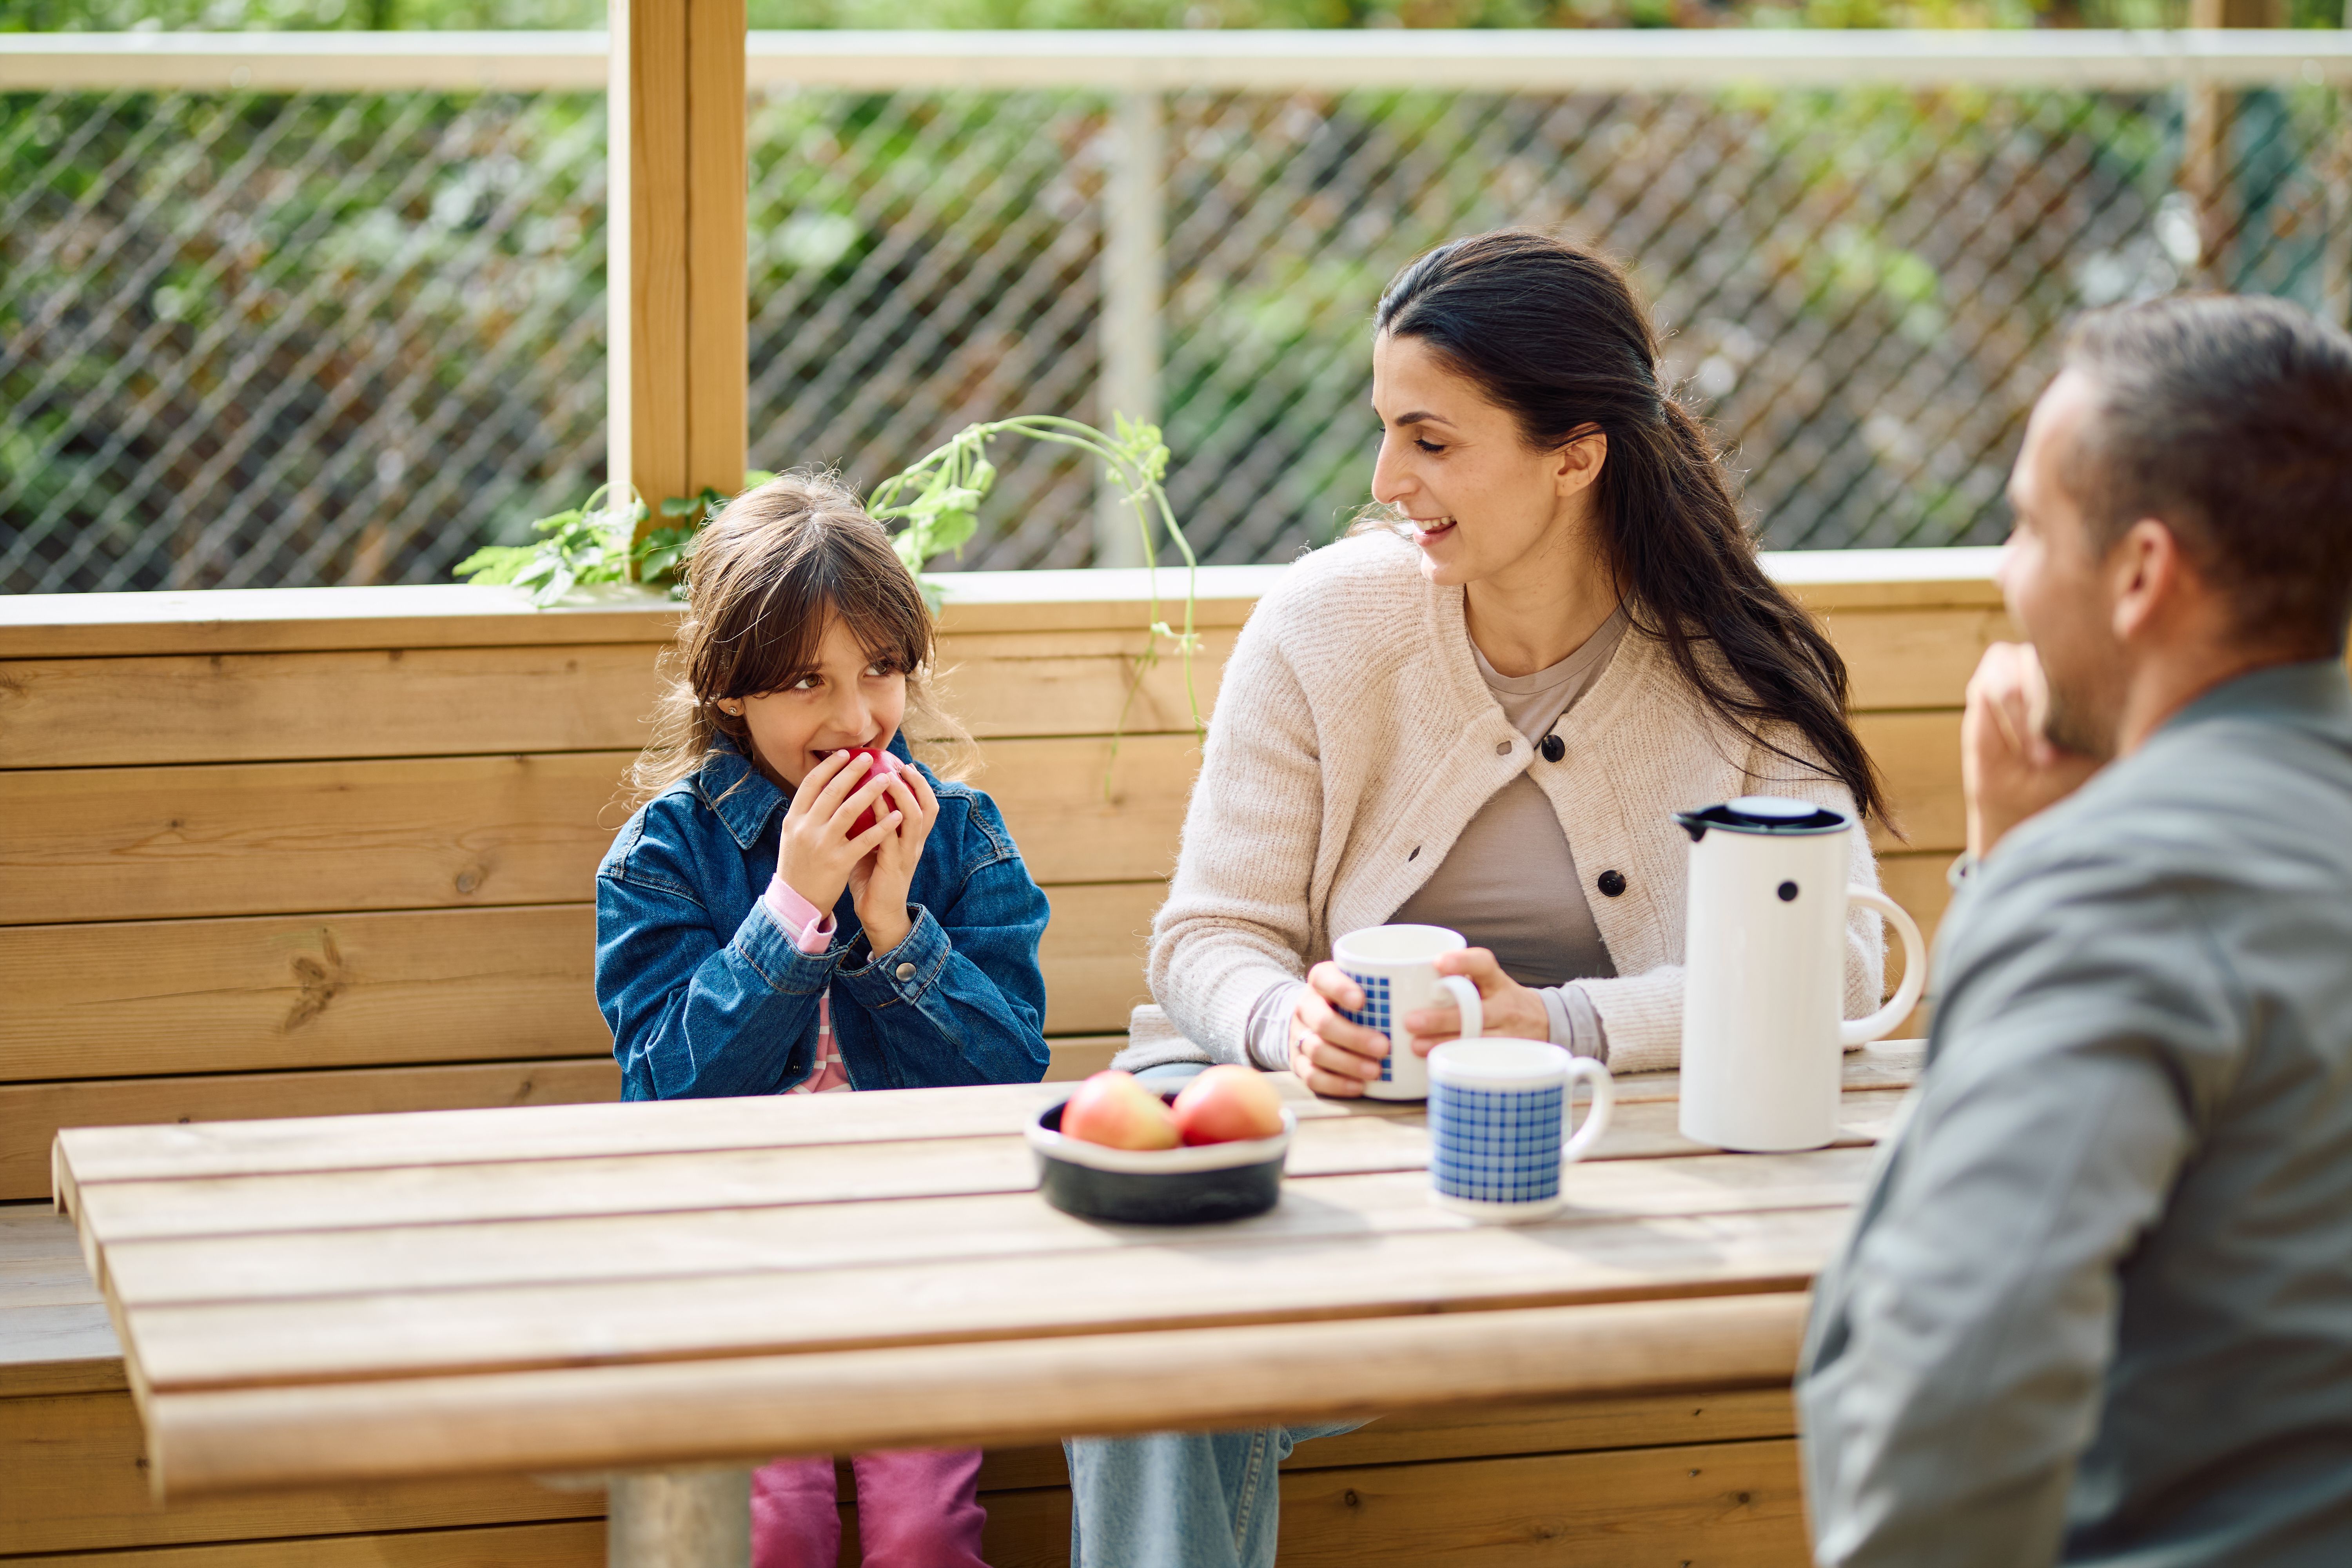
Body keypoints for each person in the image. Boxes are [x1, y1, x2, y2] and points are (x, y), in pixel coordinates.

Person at [1074, 230, 1895, 1568]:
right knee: (1152, 1343)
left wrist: (1561, 1027)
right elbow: (1208, 934)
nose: (1388, 480)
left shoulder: (1737, 668)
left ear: (1575, 455)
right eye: (1386, 431)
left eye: (1433, 441)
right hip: (1336, 1157)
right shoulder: (1324, 624)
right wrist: (1290, 1024)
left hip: (1600, 1174)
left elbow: (1844, 974)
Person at [1797, 293, 2352, 1566]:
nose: (2004, 572)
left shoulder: (2123, 890)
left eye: (2029, 525)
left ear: (2143, 573)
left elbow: (1961, 1396)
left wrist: (2035, 870)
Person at [595, 470, 1052, 1568]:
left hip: (919, 1243)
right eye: (807, 681)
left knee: (922, 1531)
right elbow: (663, 1097)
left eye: (881, 670)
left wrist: (897, 931)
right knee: (774, 1526)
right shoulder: (664, 857)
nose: (857, 720)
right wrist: (792, 910)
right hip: (727, 1252)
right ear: (731, 691)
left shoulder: (961, 838)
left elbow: (1014, 1086)